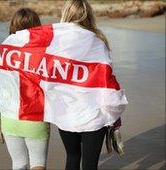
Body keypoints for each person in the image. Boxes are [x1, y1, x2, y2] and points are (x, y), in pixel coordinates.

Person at [57, 0, 127, 170]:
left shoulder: (56, 42)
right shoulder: (98, 40)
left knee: (72, 157)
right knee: (90, 165)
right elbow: (107, 79)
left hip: (66, 111)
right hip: (94, 113)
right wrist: (115, 113)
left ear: (66, 14)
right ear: (88, 14)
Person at [0, 8, 50, 170]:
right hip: (36, 116)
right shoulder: (45, 50)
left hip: (9, 117)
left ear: (13, 24)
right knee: (38, 163)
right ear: (37, 25)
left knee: (18, 164)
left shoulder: (3, 48)